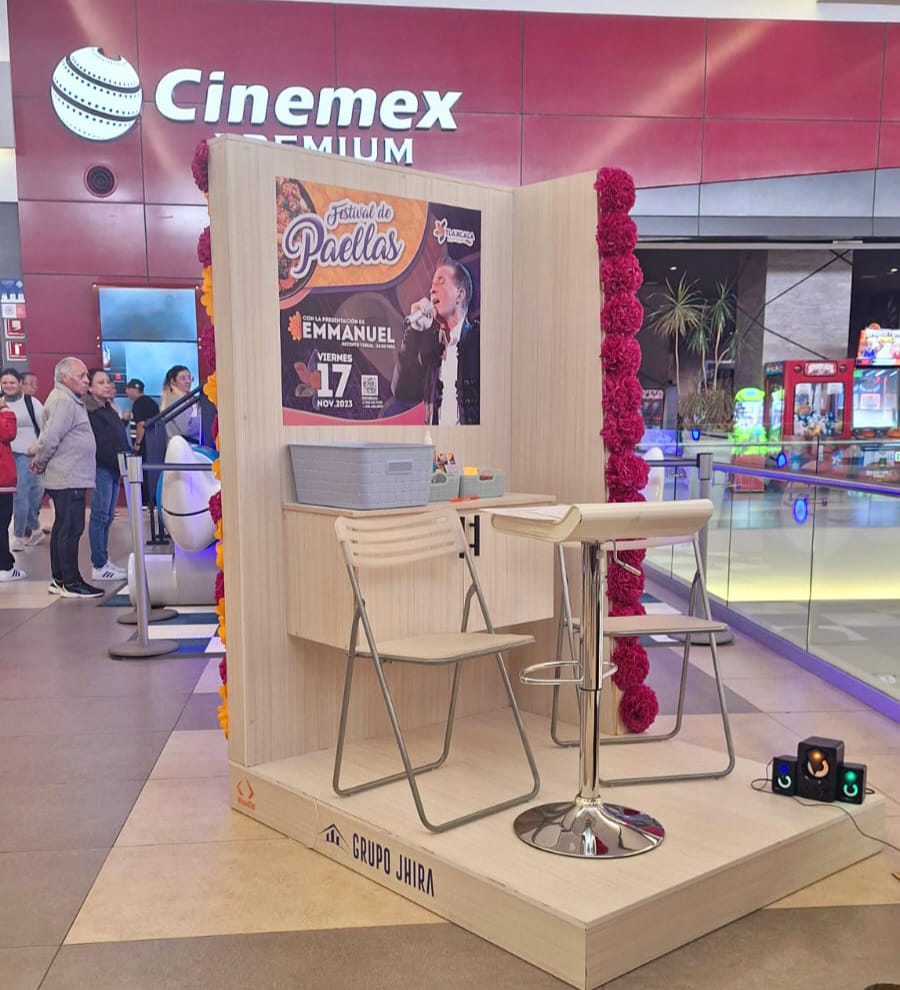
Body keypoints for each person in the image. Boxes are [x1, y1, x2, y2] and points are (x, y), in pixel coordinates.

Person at [29, 357, 103, 598]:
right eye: (81, 376)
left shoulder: (68, 399)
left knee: (65, 527)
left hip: (71, 475)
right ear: (64, 378)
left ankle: (61, 579)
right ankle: (70, 582)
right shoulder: (63, 400)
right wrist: (40, 462)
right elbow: (51, 437)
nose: (86, 380)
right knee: (70, 529)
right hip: (68, 476)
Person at [391, 259, 480, 426]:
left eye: (441, 282)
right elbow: (401, 390)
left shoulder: (479, 339)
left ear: (460, 295)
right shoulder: (430, 346)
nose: (432, 290)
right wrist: (414, 332)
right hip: (437, 440)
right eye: (432, 285)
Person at [84, 368, 130, 581]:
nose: (107, 385)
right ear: (90, 387)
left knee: (108, 516)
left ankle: (103, 559)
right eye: (100, 382)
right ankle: (99, 564)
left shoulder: (109, 408)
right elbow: (99, 444)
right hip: (100, 467)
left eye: (107, 381)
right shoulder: (90, 412)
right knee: (100, 516)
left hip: (114, 467)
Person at [0, 367, 46, 551]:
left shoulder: (31, 402)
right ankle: (27, 532)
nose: (8, 385)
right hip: (7, 456)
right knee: (19, 496)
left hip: (29, 454)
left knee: (29, 495)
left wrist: (40, 451)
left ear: (19, 383)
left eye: (12, 382)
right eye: (4, 382)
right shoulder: (1, 403)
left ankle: (26, 531)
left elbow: (45, 428)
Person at [0, 392, 24, 581]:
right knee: (2, 523)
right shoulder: (4, 413)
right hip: (2, 479)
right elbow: (8, 433)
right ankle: (5, 567)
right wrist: (4, 410)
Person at [160, 365, 201, 443]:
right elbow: (187, 428)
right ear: (173, 381)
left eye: (189, 378)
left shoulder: (189, 399)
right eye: (183, 378)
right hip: (185, 446)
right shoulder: (175, 400)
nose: (188, 381)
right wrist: (205, 417)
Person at [124, 378, 159, 456]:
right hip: (152, 443)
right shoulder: (150, 401)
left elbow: (141, 424)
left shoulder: (139, 403)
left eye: (127, 389)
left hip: (144, 445)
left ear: (134, 390)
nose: (126, 392)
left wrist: (137, 443)